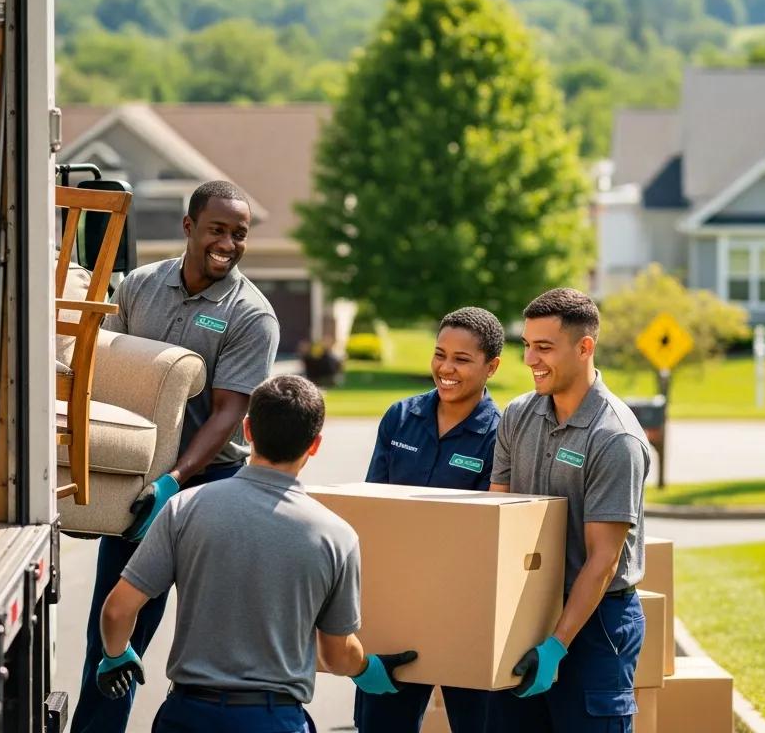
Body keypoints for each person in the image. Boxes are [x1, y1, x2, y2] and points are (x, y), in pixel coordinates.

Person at [94, 374, 418, 733]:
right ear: (315, 445)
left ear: (247, 430)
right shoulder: (336, 536)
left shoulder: (184, 508)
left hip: (186, 715)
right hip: (273, 718)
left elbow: (117, 609)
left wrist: (115, 654)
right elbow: (336, 655)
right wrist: (368, 670)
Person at [72, 179, 281, 733]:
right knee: (115, 628)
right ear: (190, 227)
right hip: (140, 479)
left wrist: (175, 481)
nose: (228, 243)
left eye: (239, 234)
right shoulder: (140, 285)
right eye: (217, 229)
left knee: (212, 633)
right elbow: (104, 370)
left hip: (210, 484)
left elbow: (228, 412)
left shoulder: (250, 315)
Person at [485, 288, 650, 733]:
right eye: (527, 346)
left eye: (544, 347)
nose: (530, 359)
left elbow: (604, 559)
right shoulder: (517, 416)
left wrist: (557, 645)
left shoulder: (615, 438)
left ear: (584, 347)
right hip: (525, 607)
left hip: (597, 622)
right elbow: (497, 514)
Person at [355, 306, 504, 733]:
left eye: (462, 359)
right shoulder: (400, 417)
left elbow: (485, 533)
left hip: (467, 613)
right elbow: (372, 508)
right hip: (395, 608)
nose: (446, 368)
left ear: (491, 366)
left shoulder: (502, 433)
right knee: (380, 725)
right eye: (440, 354)